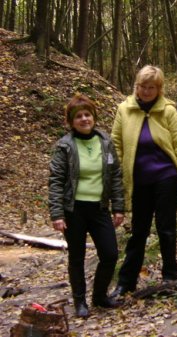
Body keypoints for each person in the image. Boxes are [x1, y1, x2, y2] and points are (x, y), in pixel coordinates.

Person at [111, 65, 177, 297]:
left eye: (151, 87)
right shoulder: (124, 110)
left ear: (159, 89)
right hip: (138, 181)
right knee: (139, 231)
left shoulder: (167, 111)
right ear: (136, 86)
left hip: (166, 177)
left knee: (166, 229)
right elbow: (115, 144)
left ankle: (170, 277)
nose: (146, 91)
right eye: (142, 86)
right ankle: (126, 282)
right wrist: (115, 179)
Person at [48, 94, 125, 318]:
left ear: (94, 117)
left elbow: (116, 177)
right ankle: (80, 302)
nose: (84, 119)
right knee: (77, 257)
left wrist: (118, 207)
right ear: (71, 121)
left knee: (110, 254)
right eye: (78, 116)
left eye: (87, 115)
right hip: (74, 210)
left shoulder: (105, 142)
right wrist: (57, 214)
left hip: (99, 208)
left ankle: (99, 296)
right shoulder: (64, 146)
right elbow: (55, 181)